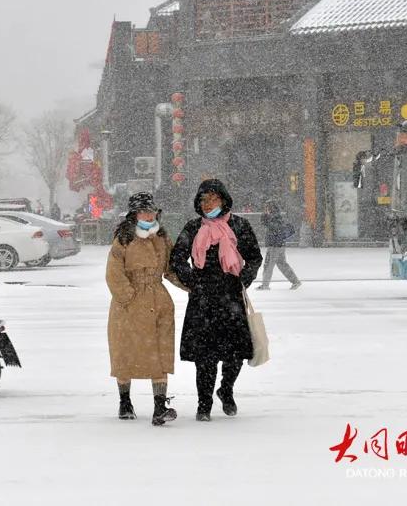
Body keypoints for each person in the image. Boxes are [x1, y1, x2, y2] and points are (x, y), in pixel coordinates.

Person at [169, 179, 263, 422]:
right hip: (203, 299)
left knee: (235, 354)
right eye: (204, 199)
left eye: (213, 198)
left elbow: (254, 256)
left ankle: (226, 389)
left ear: (223, 200)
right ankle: (204, 404)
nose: (208, 203)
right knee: (205, 357)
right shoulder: (192, 228)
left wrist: (245, 276)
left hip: (231, 295)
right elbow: (177, 259)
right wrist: (192, 280)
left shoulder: (239, 225)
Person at [106, 192, 187, 426]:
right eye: (144, 211)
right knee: (126, 352)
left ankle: (160, 406)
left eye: (151, 211)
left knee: (160, 353)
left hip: (158, 300)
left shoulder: (162, 237)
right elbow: (114, 273)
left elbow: (171, 269)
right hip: (128, 306)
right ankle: (124, 401)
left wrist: (193, 286)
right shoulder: (123, 239)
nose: (149, 215)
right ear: (134, 214)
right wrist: (129, 297)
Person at [257, 200, 301, 290]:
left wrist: (265, 219)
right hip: (279, 245)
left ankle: (265, 285)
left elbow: (274, 228)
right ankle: (295, 281)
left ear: (271, 207)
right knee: (282, 264)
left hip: (275, 245)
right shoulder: (276, 216)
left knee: (268, 264)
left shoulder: (275, 217)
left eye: (267, 207)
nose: (266, 209)